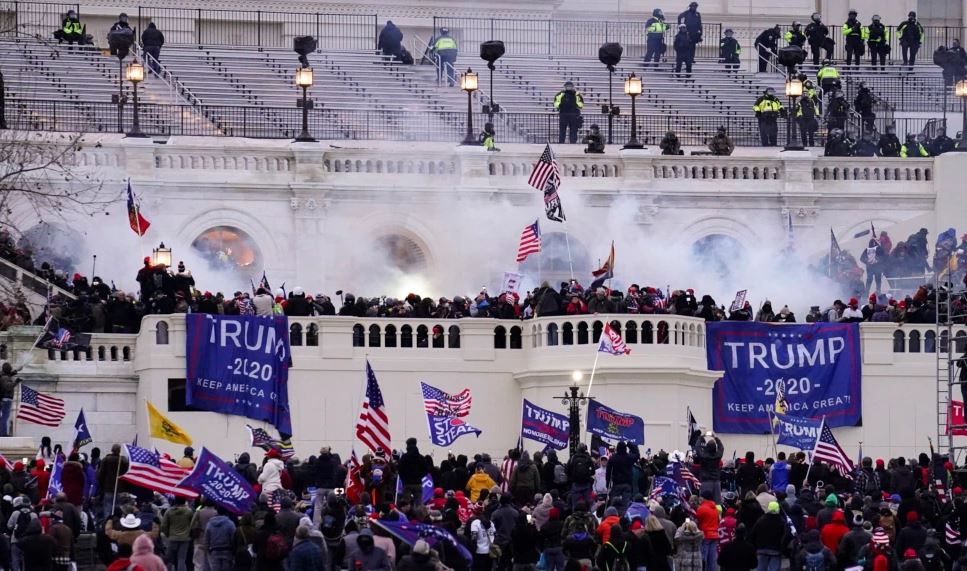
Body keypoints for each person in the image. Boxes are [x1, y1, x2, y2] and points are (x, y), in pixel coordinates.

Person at [0, 362, 21, 437]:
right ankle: (2, 433)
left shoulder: (3, 376)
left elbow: (9, 375)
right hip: (6, 399)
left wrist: (16, 371)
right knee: (5, 417)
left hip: (3, 399)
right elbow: (8, 387)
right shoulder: (5, 378)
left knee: (3, 417)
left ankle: (2, 432)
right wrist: (16, 382)